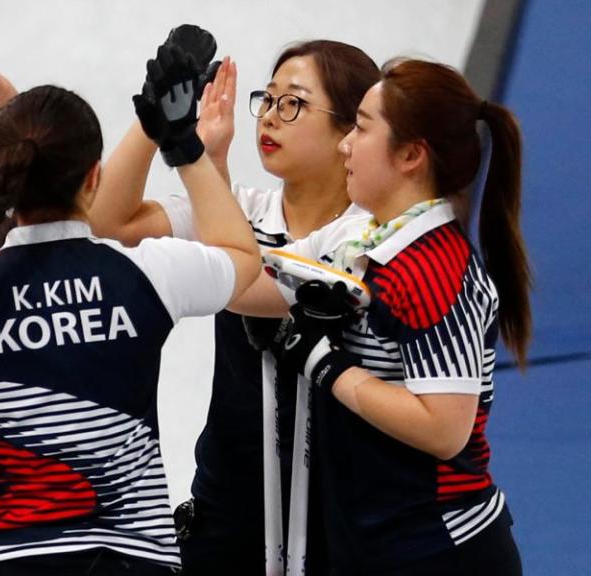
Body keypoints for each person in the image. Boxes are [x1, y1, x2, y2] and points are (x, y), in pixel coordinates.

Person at [0, 50, 260, 575]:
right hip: (130, 558)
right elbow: (242, 256)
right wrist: (184, 146)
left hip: (1, 561)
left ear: (1, 173)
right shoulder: (146, 273)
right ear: (95, 179)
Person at [88, 36, 379, 573]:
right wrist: (152, 119)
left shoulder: (366, 234)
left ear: (349, 131)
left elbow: (249, 285)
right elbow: (107, 223)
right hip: (229, 501)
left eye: (291, 102)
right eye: (265, 100)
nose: (269, 117)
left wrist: (196, 158)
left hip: (335, 508)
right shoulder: (242, 209)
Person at [273, 58, 529, 575]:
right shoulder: (369, 241)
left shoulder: (433, 269)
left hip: (436, 548)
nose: (345, 144)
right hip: (377, 543)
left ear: (411, 155)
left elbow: (444, 429)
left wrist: (326, 365)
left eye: (362, 128)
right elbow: (255, 280)